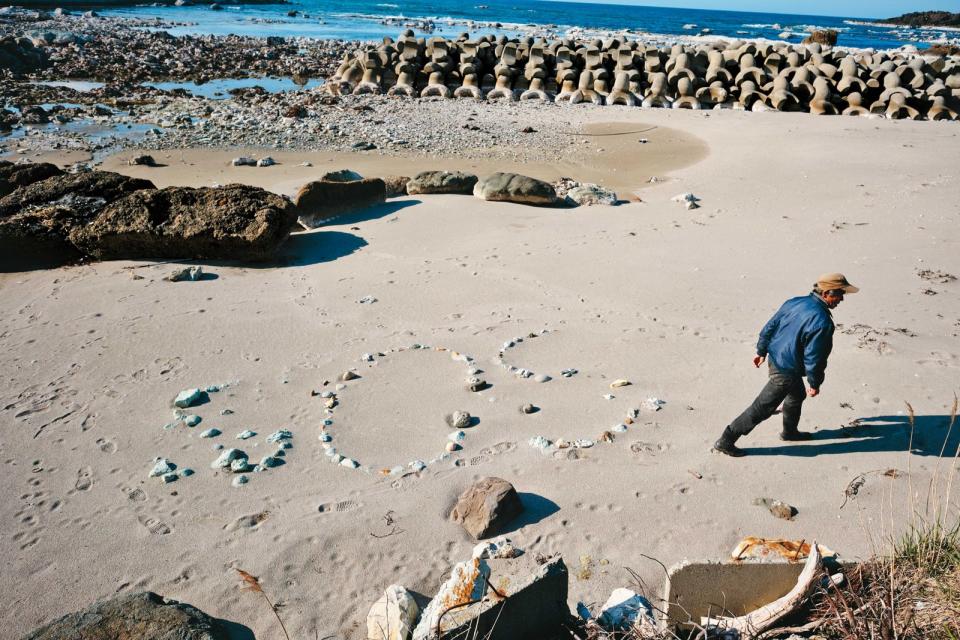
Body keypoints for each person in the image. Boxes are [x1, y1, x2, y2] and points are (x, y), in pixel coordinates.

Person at [713, 273, 859, 457]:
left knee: (796, 395)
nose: (841, 299)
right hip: (787, 370)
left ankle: (790, 432)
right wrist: (815, 383)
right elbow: (814, 358)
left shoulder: (795, 302)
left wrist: (761, 351)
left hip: (776, 358)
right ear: (826, 293)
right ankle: (726, 440)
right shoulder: (822, 322)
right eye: (839, 294)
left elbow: (770, 326)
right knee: (762, 407)